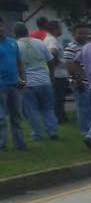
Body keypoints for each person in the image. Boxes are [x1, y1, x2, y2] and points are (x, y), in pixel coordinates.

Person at [15, 22, 59, 142]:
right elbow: (50, 60)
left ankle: (38, 134)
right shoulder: (39, 42)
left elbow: (15, 66)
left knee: (32, 110)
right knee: (48, 108)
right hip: (44, 81)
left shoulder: (15, 46)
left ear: (15, 34)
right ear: (27, 31)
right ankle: (52, 131)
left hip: (28, 83)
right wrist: (51, 76)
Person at [0, 16, 27, 151]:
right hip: (1, 86)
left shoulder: (12, 43)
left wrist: (23, 78)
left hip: (15, 84)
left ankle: (20, 144)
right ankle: (1, 145)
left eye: (1, 25)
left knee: (16, 116)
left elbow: (19, 63)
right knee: (1, 118)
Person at [64, 24, 91, 135]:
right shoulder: (70, 47)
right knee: (83, 108)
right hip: (80, 82)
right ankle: (86, 131)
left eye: (86, 33)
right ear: (74, 34)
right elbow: (70, 66)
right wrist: (78, 81)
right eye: (80, 33)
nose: (83, 35)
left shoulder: (89, 46)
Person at [43, 20, 69, 123]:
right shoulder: (52, 40)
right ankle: (59, 117)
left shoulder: (48, 39)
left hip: (56, 73)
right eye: (60, 28)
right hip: (58, 73)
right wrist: (56, 62)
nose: (61, 30)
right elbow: (52, 52)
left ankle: (60, 115)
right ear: (54, 29)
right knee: (59, 97)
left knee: (58, 97)